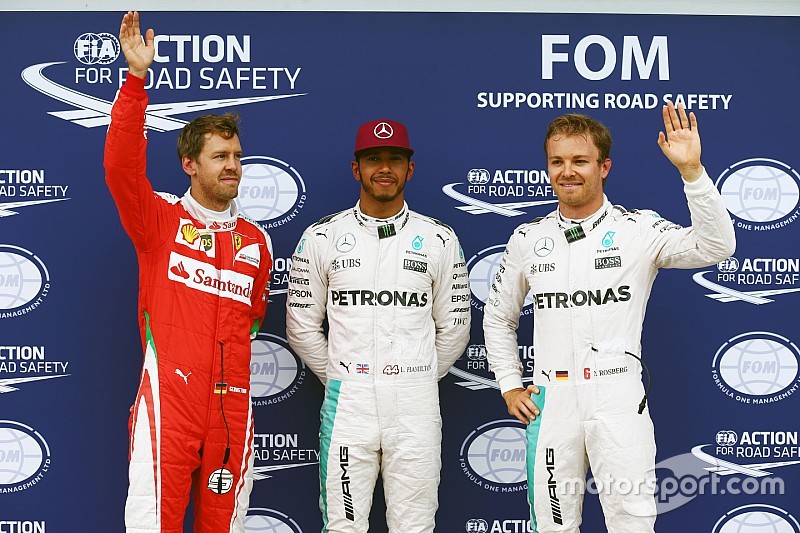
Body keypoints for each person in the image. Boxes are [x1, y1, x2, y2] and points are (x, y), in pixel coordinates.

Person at [482, 104, 735, 532]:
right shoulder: (528, 237)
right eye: (557, 162)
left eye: (580, 161)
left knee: (632, 522)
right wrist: (509, 384)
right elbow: (498, 317)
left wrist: (692, 173)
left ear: (604, 167)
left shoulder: (639, 230)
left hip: (617, 396)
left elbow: (716, 247)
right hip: (551, 401)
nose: (568, 172)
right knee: (552, 524)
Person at [105, 12, 273, 532]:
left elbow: (253, 322)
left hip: (232, 413)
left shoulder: (257, 243)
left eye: (237, 157)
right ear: (189, 165)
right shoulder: (158, 221)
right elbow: (121, 168)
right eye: (219, 156)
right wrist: (135, 83)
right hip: (169, 408)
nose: (232, 166)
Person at [285, 118, 471, 531]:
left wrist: (415, 372)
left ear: (410, 168)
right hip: (348, 403)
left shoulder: (440, 239)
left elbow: (455, 329)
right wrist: (342, 374)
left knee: (415, 525)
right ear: (357, 169)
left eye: (394, 159)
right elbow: (301, 326)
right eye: (373, 159)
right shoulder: (322, 237)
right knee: (343, 525)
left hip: (415, 404)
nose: (383, 168)